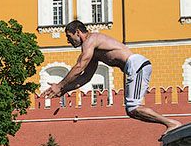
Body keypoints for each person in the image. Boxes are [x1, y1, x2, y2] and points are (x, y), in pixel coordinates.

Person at [41, 21, 181, 134]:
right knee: (132, 111)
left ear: (77, 32)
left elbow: (79, 67)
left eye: (69, 36)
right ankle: (169, 123)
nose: (68, 41)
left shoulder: (92, 39)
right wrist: (64, 90)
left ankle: (172, 123)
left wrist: (59, 85)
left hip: (135, 65)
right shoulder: (94, 52)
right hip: (134, 68)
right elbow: (85, 78)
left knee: (134, 107)